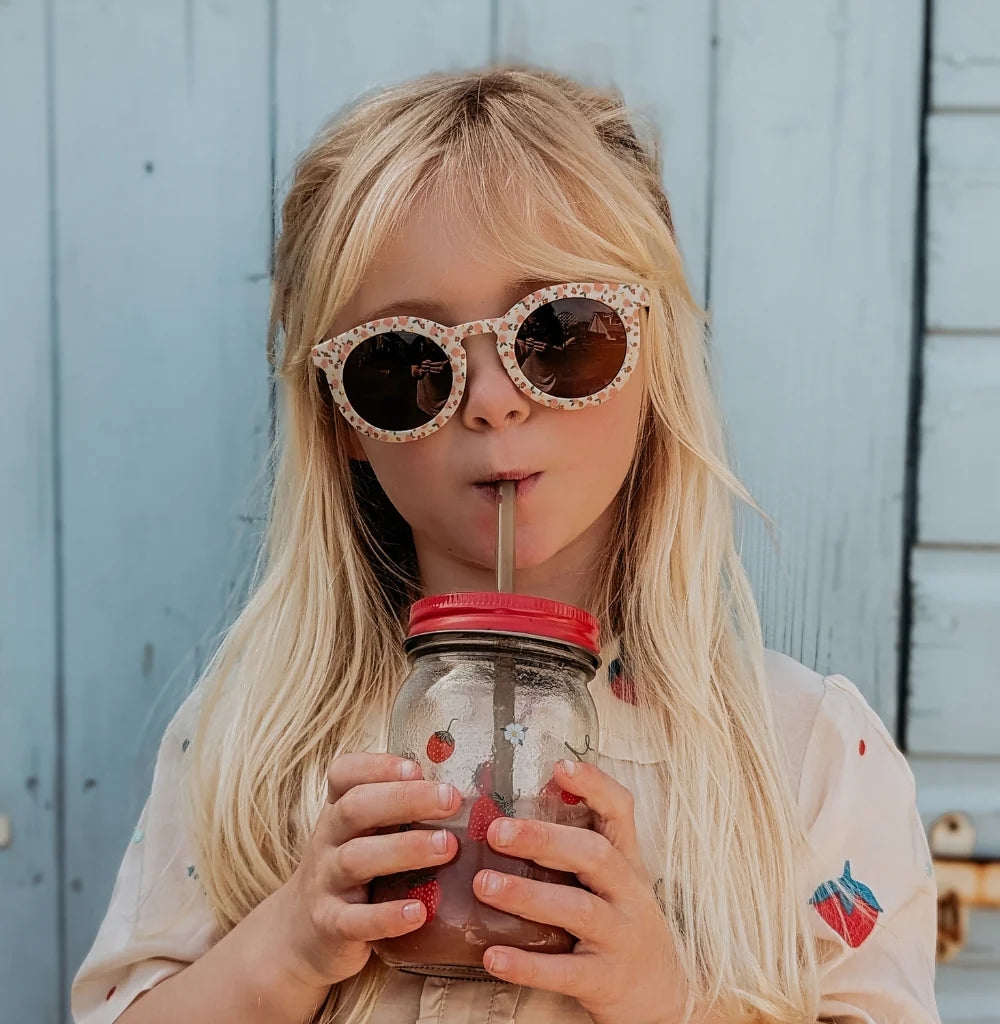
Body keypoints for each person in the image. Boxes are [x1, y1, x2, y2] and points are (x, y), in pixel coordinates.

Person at [71, 66, 941, 1024]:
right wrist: (288, 946)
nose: (491, 399)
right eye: (404, 361)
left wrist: (667, 1000)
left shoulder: (808, 760)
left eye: (562, 333)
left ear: (652, 356)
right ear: (341, 422)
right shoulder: (257, 737)